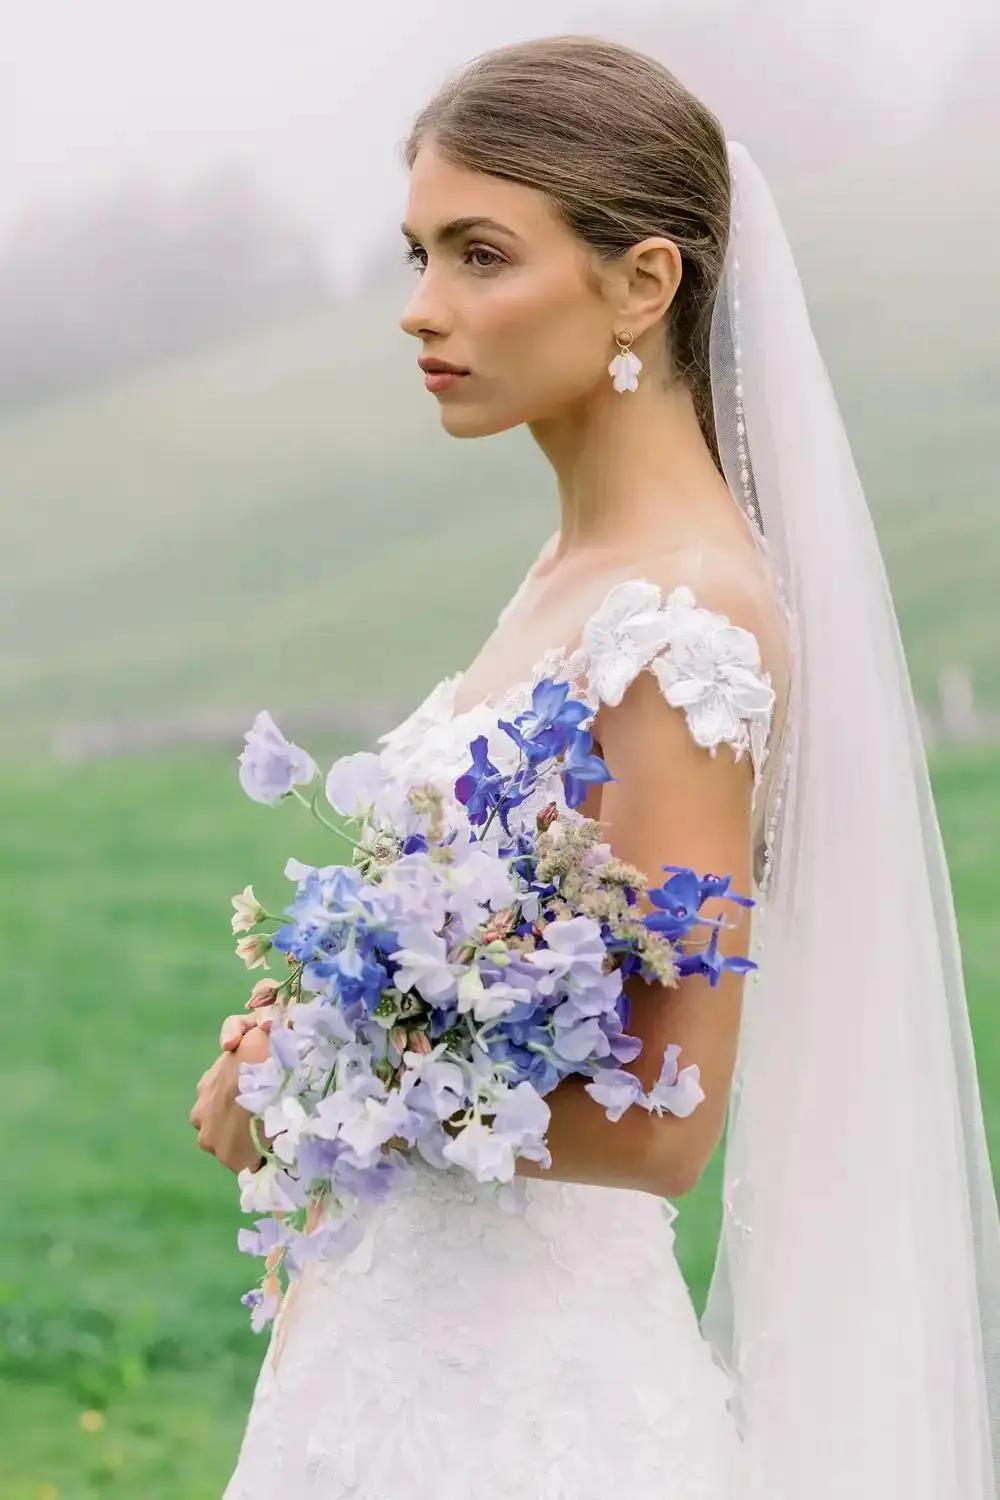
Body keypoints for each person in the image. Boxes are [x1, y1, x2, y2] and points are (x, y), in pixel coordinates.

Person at [189, 35, 1000, 1499]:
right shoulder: (573, 571)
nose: (422, 309)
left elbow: (666, 1118)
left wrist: (308, 1081)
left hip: (528, 1415)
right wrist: (317, 1016)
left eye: (481, 255)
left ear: (645, 280)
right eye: (417, 254)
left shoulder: (686, 619)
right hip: (400, 1355)